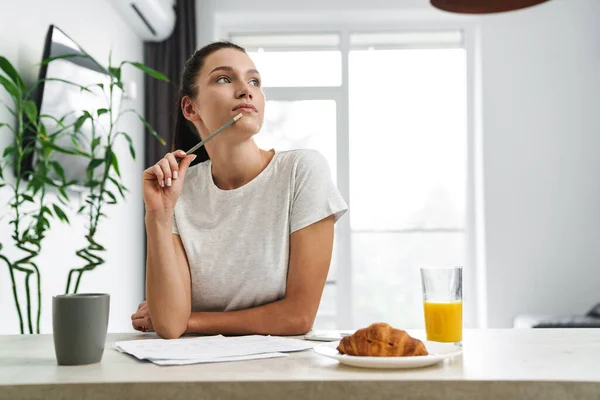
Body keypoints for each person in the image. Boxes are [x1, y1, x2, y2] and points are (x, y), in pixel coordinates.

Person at [131, 41, 348, 339]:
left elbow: (298, 317)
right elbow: (168, 327)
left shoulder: (302, 171)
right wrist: (158, 214)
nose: (246, 90)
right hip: (192, 371)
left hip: (280, 372)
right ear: (190, 107)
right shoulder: (179, 191)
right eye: (224, 78)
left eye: (254, 81)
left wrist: (188, 319)